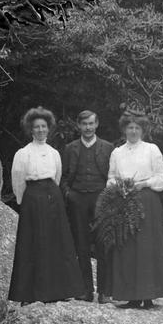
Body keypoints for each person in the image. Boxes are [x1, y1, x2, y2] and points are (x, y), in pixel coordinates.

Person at [7, 107, 87, 304]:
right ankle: (29, 294)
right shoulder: (23, 153)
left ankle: (58, 291)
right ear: (31, 130)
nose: (41, 130)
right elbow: (18, 182)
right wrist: (25, 202)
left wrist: (51, 195)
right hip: (32, 199)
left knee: (57, 242)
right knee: (32, 243)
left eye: (44, 127)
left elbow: (57, 177)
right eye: (37, 127)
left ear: (48, 129)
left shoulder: (54, 153)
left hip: (53, 198)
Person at [103, 111, 163, 309]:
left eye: (137, 128)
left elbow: (162, 179)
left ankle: (149, 295)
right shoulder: (117, 152)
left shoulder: (152, 150)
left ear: (143, 130)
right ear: (124, 129)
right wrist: (118, 187)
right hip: (124, 201)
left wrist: (143, 184)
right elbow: (110, 178)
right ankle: (131, 296)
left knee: (147, 247)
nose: (133, 131)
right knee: (127, 247)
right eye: (130, 127)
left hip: (147, 201)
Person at [60, 110, 115, 303]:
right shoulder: (70, 148)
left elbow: (113, 175)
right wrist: (69, 194)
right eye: (84, 124)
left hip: (101, 199)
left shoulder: (108, 148)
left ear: (97, 124)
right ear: (78, 126)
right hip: (78, 200)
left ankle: (104, 291)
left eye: (91, 123)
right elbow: (64, 177)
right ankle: (85, 290)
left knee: (104, 245)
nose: (88, 128)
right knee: (81, 245)